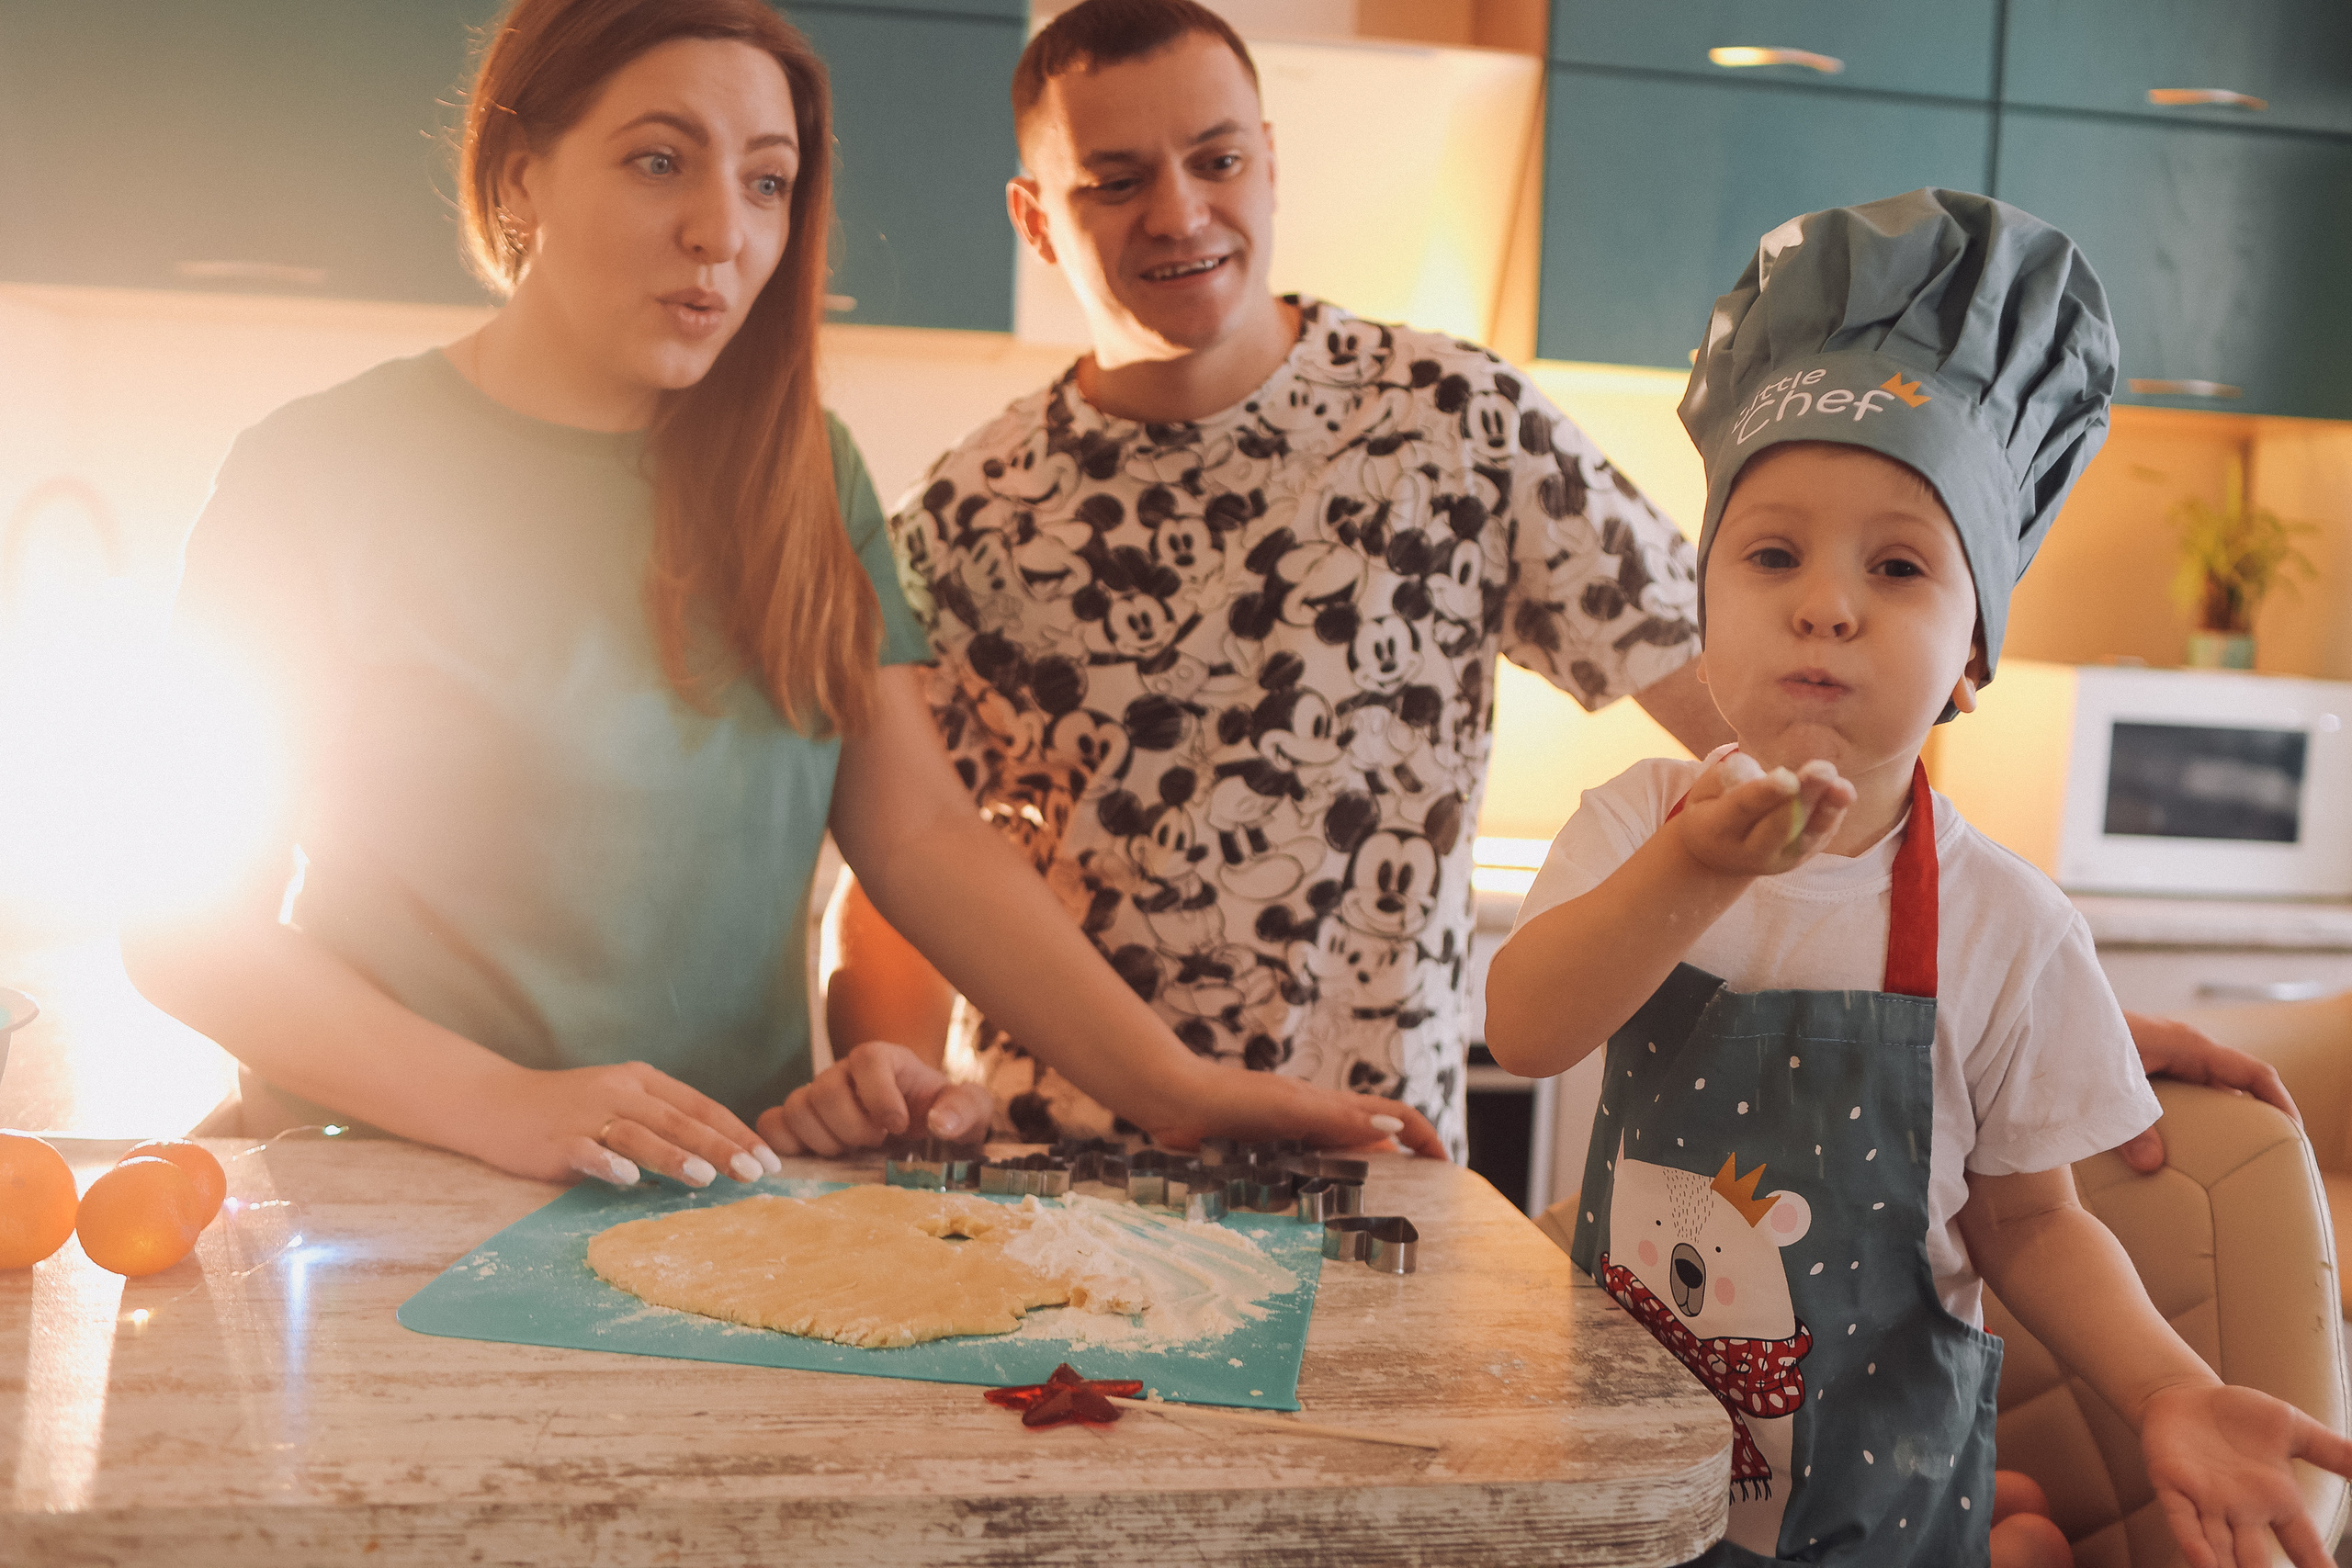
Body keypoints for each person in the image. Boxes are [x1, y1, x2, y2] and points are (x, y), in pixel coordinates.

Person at [787, 0, 2299, 1174]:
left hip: (1381, 1170)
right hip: (1065, 1168)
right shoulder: (964, 520)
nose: (1179, 212)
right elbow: (917, 874)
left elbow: (1759, 706)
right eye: (1114, 180)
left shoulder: (1454, 420)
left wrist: (2028, 1005)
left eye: (1218, 157)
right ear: (1037, 217)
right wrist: (893, 1078)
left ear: (1267, 157)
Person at [120, 0, 1440, 1192]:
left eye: (769, 182)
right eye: (659, 161)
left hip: (708, 1208)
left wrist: (1183, 1095)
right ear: (519, 172)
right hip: (381, 1192)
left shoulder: (808, 472)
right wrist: (506, 1108)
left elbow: (921, 838)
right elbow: (183, 930)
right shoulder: (317, 470)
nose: (724, 231)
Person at [1484, 189, 2352, 1568]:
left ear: (1972, 659)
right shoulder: (1633, 821)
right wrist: (1690, 872)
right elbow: (1527, 1028)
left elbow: (2031, 1226)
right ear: (1704, 612)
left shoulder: (2008, 925)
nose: (1826, 602)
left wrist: (2165, 1387)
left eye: (1897, 565)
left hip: (1883, 1509)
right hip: (1630, 1482)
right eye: (1771, 556)